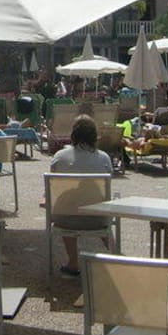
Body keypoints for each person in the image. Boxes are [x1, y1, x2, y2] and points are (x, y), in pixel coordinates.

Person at [49, 115, 114, 276]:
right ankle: (114, 256)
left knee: (67, 202)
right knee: (101, 204)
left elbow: (52, 189)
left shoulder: (60, 157)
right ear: (94, 136)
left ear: (73, 134)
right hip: (98, 219)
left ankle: (73, 262)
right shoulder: (104, 158)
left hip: (65, 219)